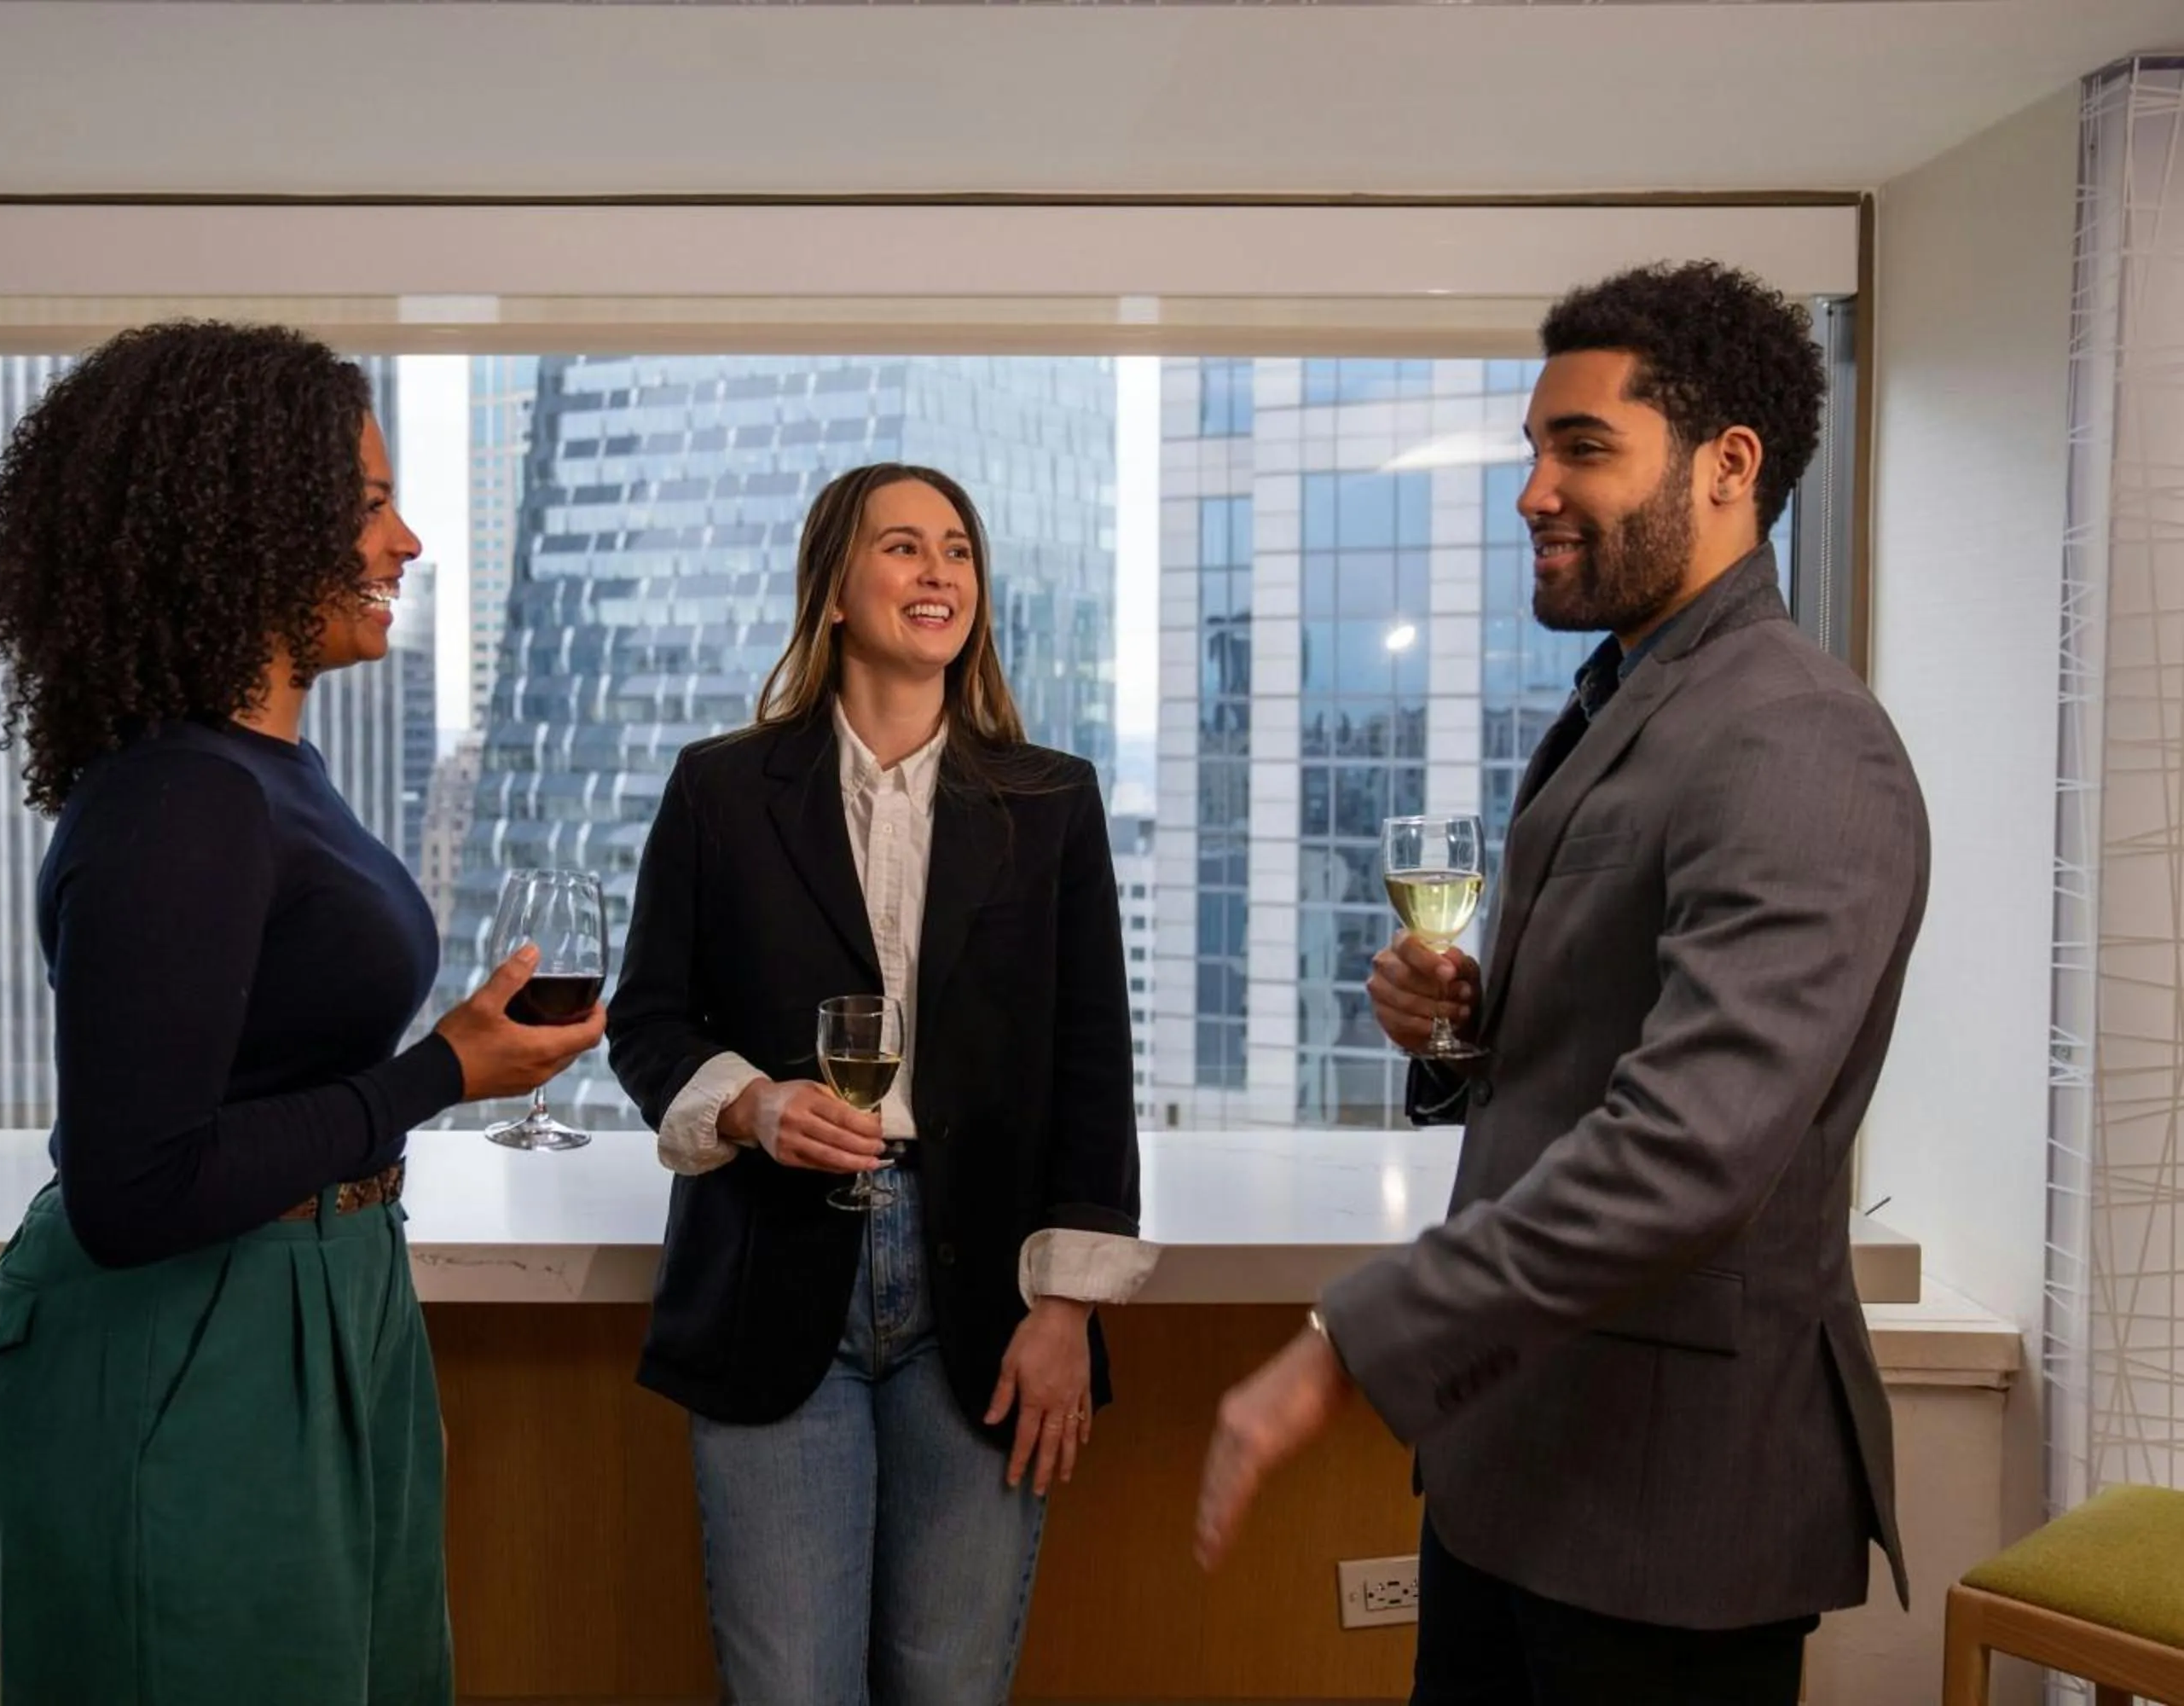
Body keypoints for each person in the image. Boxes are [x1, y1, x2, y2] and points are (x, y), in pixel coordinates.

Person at [1194, 262, 1931, 1706]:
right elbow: (1602, 1051)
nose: (1533, 491)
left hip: (1666, 1512)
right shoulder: (1632, 701)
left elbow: (1688, 1149)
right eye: (1535, 448)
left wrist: (1348, 1346)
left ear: (1729, 467)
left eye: (1583, 447)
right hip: (1518, 1469)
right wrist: (1462, 1031)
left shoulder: (1797, 735)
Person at [0, 320, 604, 1706]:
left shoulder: (268, 769)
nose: (405, 544)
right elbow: (134, 1189)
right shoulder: (180, 798)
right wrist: (443, 1071)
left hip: (327, 1292)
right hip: (192, 1337)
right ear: (248, 523)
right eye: (369, 506)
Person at [606, 462, 1151, 1704]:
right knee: (790, 1687)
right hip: (768, 1269)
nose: (939, 571)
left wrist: (1068, 1310)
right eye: (903, 546)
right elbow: (646, 1022)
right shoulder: (720, 789)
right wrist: (752, 1104)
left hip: (994, 1296)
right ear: (835, 587)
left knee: (949, 1687)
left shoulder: (1052, 801)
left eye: (958, 549)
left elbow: (1092, 1065)